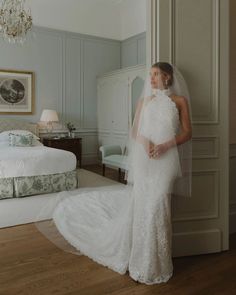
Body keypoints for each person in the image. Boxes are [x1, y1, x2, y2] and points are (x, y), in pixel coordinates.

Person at [36, 62, 192, 285]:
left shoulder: (179, 101)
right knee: (143, 206)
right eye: (150, 75)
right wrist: (146, 141)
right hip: (146, 159)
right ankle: (141, 260)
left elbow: (188, 132)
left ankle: (158, 262)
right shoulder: (143, 101)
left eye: (156, 74)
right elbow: (135, 131)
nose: (152, 79)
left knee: (159, 206)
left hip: (166, 160)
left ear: (167, 77)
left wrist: (167, 145)